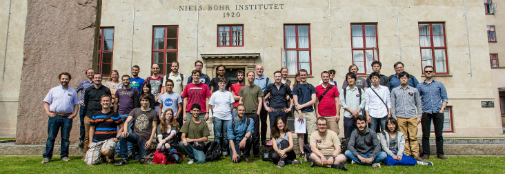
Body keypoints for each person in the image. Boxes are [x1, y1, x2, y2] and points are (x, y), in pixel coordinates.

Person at [41, 72, 80, 164]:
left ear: (69, 80)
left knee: (65, 138)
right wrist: (48, 113)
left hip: (67, 118)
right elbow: (46, 102)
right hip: (55, 116)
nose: (64, 80)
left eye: (66, 79)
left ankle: (64, 156)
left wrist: (74, 114)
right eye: (63, 79)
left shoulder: (72, 92)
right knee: (51, 137)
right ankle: (47, 156)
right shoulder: (53, 90)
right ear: (60, 79)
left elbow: (76, 104)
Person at [115, 94, 158, 166]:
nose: (144, 102)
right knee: (122, 136)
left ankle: (134, 155)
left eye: (146, 100)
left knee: (143, 159)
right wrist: (125, 131)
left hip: (145, 139)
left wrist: (150, 141)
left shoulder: (153, 112)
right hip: (135, 136)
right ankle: (124, 159)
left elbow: (154, 127)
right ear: (140, 101)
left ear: (149, 102)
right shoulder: (135, 110)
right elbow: (127, 122)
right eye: (143, 100)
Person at [417, 66, 449, 160]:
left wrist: (442, 109)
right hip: (425, 112)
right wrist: (421, 110)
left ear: (433, 73)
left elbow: (445, 98)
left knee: (439, 134)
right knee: (425, 134)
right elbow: (417, 99)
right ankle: (426, 153)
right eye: (426, 71)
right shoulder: (420, 86)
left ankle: (440, 153)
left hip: (437, 111)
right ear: (424, 73)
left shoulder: (439, 84)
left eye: (430, 71)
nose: (428, 73)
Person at [391, 72, 423, 161]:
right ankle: (407, 153)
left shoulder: (414, 90)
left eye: (405, 78)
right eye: (401, 78)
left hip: (412, 116)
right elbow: (392, 105)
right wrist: (394, 117)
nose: (403, 79)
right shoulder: (395, 90)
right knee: (403, 137)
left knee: (413, 136)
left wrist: (419, 116)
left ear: (408, 79)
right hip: (400, 116)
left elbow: (418, 104)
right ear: (399, 79)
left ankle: (416, 154)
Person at [84, 94, 123, 165]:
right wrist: (90, 142)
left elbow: (122, 127)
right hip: (97, 141)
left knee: (105, 150)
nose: (105, 102)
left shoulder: (115, 115)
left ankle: (110, 156)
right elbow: (92, 128)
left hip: (109, 139)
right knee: (90, 163)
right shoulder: (95, 115)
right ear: (101, 102)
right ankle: (102, 156)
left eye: (107, 101)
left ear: (111, 102)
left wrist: (117, 137)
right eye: (104, 101)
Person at [83, 73, 111, 155]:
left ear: (101, 79)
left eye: (99, 78)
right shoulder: (88, 90)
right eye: (96, 78)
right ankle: (86, 154)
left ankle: (101, 154)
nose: (97, 79)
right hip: (89, 115)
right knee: (87, 135)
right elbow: (86, 101)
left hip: (102, 116)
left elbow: (108, 102)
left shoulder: (106, 90)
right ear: (93, 79)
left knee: (102, 135)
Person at [292, 69, 317, 158]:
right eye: (301, 75)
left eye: (304, 75)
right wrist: (300, 112)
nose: (303, 77)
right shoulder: (296, 87)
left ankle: (312, 151)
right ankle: (302, 152)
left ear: (307, 75)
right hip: (299, 113)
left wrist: (301, 106)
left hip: (310, 112)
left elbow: (313, 100)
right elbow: (295, 102)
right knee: (300, 134)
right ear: (299, 76)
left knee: (312, 134)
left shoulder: (311, 87)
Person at [238, 71, 264, 158]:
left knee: (255, 134)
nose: (251, 77)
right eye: (249, 75)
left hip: (254, 113)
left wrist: (258, 111)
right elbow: (241, 101)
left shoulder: (258, 88)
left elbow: (260, 101)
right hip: (244, 114)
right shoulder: (243, 89)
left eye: (253, 75)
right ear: (247, 77)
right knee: (244, 133)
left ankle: (256, 153)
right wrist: (240, 110)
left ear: (254, 77)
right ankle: (244, 152)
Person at [114, 75, 140, 157]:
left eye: (127, 80)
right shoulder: (118, 91)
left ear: (130, 81)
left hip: (130, 115)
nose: (125, 81)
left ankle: (129, 150)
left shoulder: (134, 90)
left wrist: (135, 114)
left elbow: (136, 103)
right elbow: (115, 103)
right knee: (120, 131)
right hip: (120, 114)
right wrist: (115, 113)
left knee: (129, 132)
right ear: (122, 81)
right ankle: (118, 150)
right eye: (124, 80)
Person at [209, 78, 235, 156]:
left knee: (225, 135)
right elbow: (212, 106)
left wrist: (228, 113)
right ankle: (217, 150)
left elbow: (232, 105)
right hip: (217, 116)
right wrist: (214, 114)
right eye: (221, 83)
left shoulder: (229, 94)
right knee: (217, 135)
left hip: (227, 117)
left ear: (226, 84)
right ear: (218, 84)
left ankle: (224, 150)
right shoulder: (215, 94)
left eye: (224, 83)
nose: (222, 84)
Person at [340, 72, 365, 138]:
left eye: (352, 78)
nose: (350, 80)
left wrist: (357, 111)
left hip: (358, 115)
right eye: (349, 78)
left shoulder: (360, 90)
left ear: (355, 80)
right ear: (347, 80)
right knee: (348, 135)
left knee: (360, 134)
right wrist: (352, 111)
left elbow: (363, 101)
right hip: (348, 116)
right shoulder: (344, 91)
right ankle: (348, 147)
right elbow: (342, 103)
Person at [76, 68, 95, 147]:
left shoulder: (96, 82)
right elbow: (75, 92)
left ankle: (92, 139)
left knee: (93, 123)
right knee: (82, 123)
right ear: (86, 74)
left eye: (92, 73)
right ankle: (82, 139)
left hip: (92, 107)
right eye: (89, 73)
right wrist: (78, 101)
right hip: (84, 106)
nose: (90, 74)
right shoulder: (83, 83)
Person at [253, 65, 271, 146]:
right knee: (255, 122)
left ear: (263, 70)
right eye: (258, 69)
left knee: (263, 122)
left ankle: (263, 139)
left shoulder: (267, 80)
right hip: (254, 103)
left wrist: (262, 100)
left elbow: (270, 92)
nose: (259, 70)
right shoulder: (253, 79)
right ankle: (255, 139)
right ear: (255, 70)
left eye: (261, 69)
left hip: (264, 103)